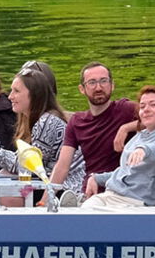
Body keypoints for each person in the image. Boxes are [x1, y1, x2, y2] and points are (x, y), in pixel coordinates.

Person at [83, 87, 155, 209]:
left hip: (134, 203)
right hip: (112, 196)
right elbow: (125, 172)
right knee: (82, 210)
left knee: (87, 214)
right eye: (142, 106)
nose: (146, 110)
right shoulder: (142, 135)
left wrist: (143, 149)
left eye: (153, 105)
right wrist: (96, 178)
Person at [47, 62, 138, 194]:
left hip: (121, 190)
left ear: (112, 85)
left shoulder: (127, 109)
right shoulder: (77, 122)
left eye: (103, 81)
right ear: (82, 89)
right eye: (92, 82)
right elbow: (62, 167)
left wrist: (127, 128)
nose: (98, 87)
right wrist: (45, 201)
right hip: (90, 191)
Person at [9, 61, 85, 196]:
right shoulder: (36, 119)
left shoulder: (47, 123)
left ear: (34, 94)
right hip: (47, 183)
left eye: (16, 91)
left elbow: (29, 167)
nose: (10, 96)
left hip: (65, 188)